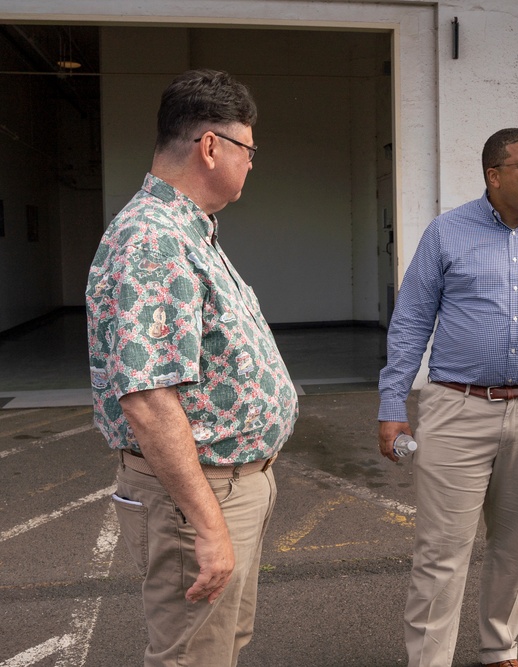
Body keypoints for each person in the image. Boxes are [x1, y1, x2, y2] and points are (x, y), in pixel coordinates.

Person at [86, 69, 298, 667]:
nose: (252, 164)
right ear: (212, 146)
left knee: (219, 647)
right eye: (248, 149)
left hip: (224, 484)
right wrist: (207, 525)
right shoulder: (153, 238)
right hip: (198, 494)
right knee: (192, 658)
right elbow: (149, 400)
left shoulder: (189, 232)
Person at [378, 127, 518, 667]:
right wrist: (392, 406)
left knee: (514, 543)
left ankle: (499, 647)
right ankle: (428, 660)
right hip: (457, 408)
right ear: (494, 175)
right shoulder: (445, 234)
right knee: (442, 550)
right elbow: (411, 322)